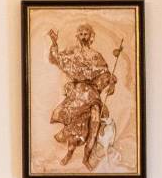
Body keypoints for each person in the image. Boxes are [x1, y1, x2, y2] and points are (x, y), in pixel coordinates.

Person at [46, 23, 118, 170]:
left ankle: (86, 159)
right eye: (81, 34)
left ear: (91, 36)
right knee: (75, 129)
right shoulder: (72, 52)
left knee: (95, 125)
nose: (84, 36)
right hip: (78, 95)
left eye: (86, 34)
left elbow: (106, 74)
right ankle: (69, 153)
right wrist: (54, 43)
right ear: (77, 36)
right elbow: (56, 59)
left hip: (93, 96)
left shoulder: (96, 56)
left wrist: (111, 83)